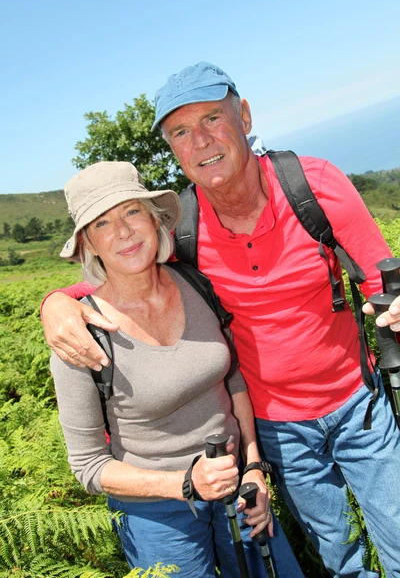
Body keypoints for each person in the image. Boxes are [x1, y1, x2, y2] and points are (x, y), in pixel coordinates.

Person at [41, 63, 400, 578]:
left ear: (245, 116)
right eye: (182, 132)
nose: (202, 140)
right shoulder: (185, 228)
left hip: (357, 404)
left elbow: (382, 284)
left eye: (213, 118)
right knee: (338, 557)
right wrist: (55, 300)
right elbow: (124, 275)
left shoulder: (314, 185)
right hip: (278, 429)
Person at [48, 159, 304, 578]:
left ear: (155, 220)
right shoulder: (78, 336)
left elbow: (233, 377)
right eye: (102, 224)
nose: (124, 232)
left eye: (132, 211)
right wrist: (187, 484)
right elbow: (89, 467)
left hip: (235, 484)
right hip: (156, 513)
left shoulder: (197, 285)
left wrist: (253, 466)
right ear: (88, 244)